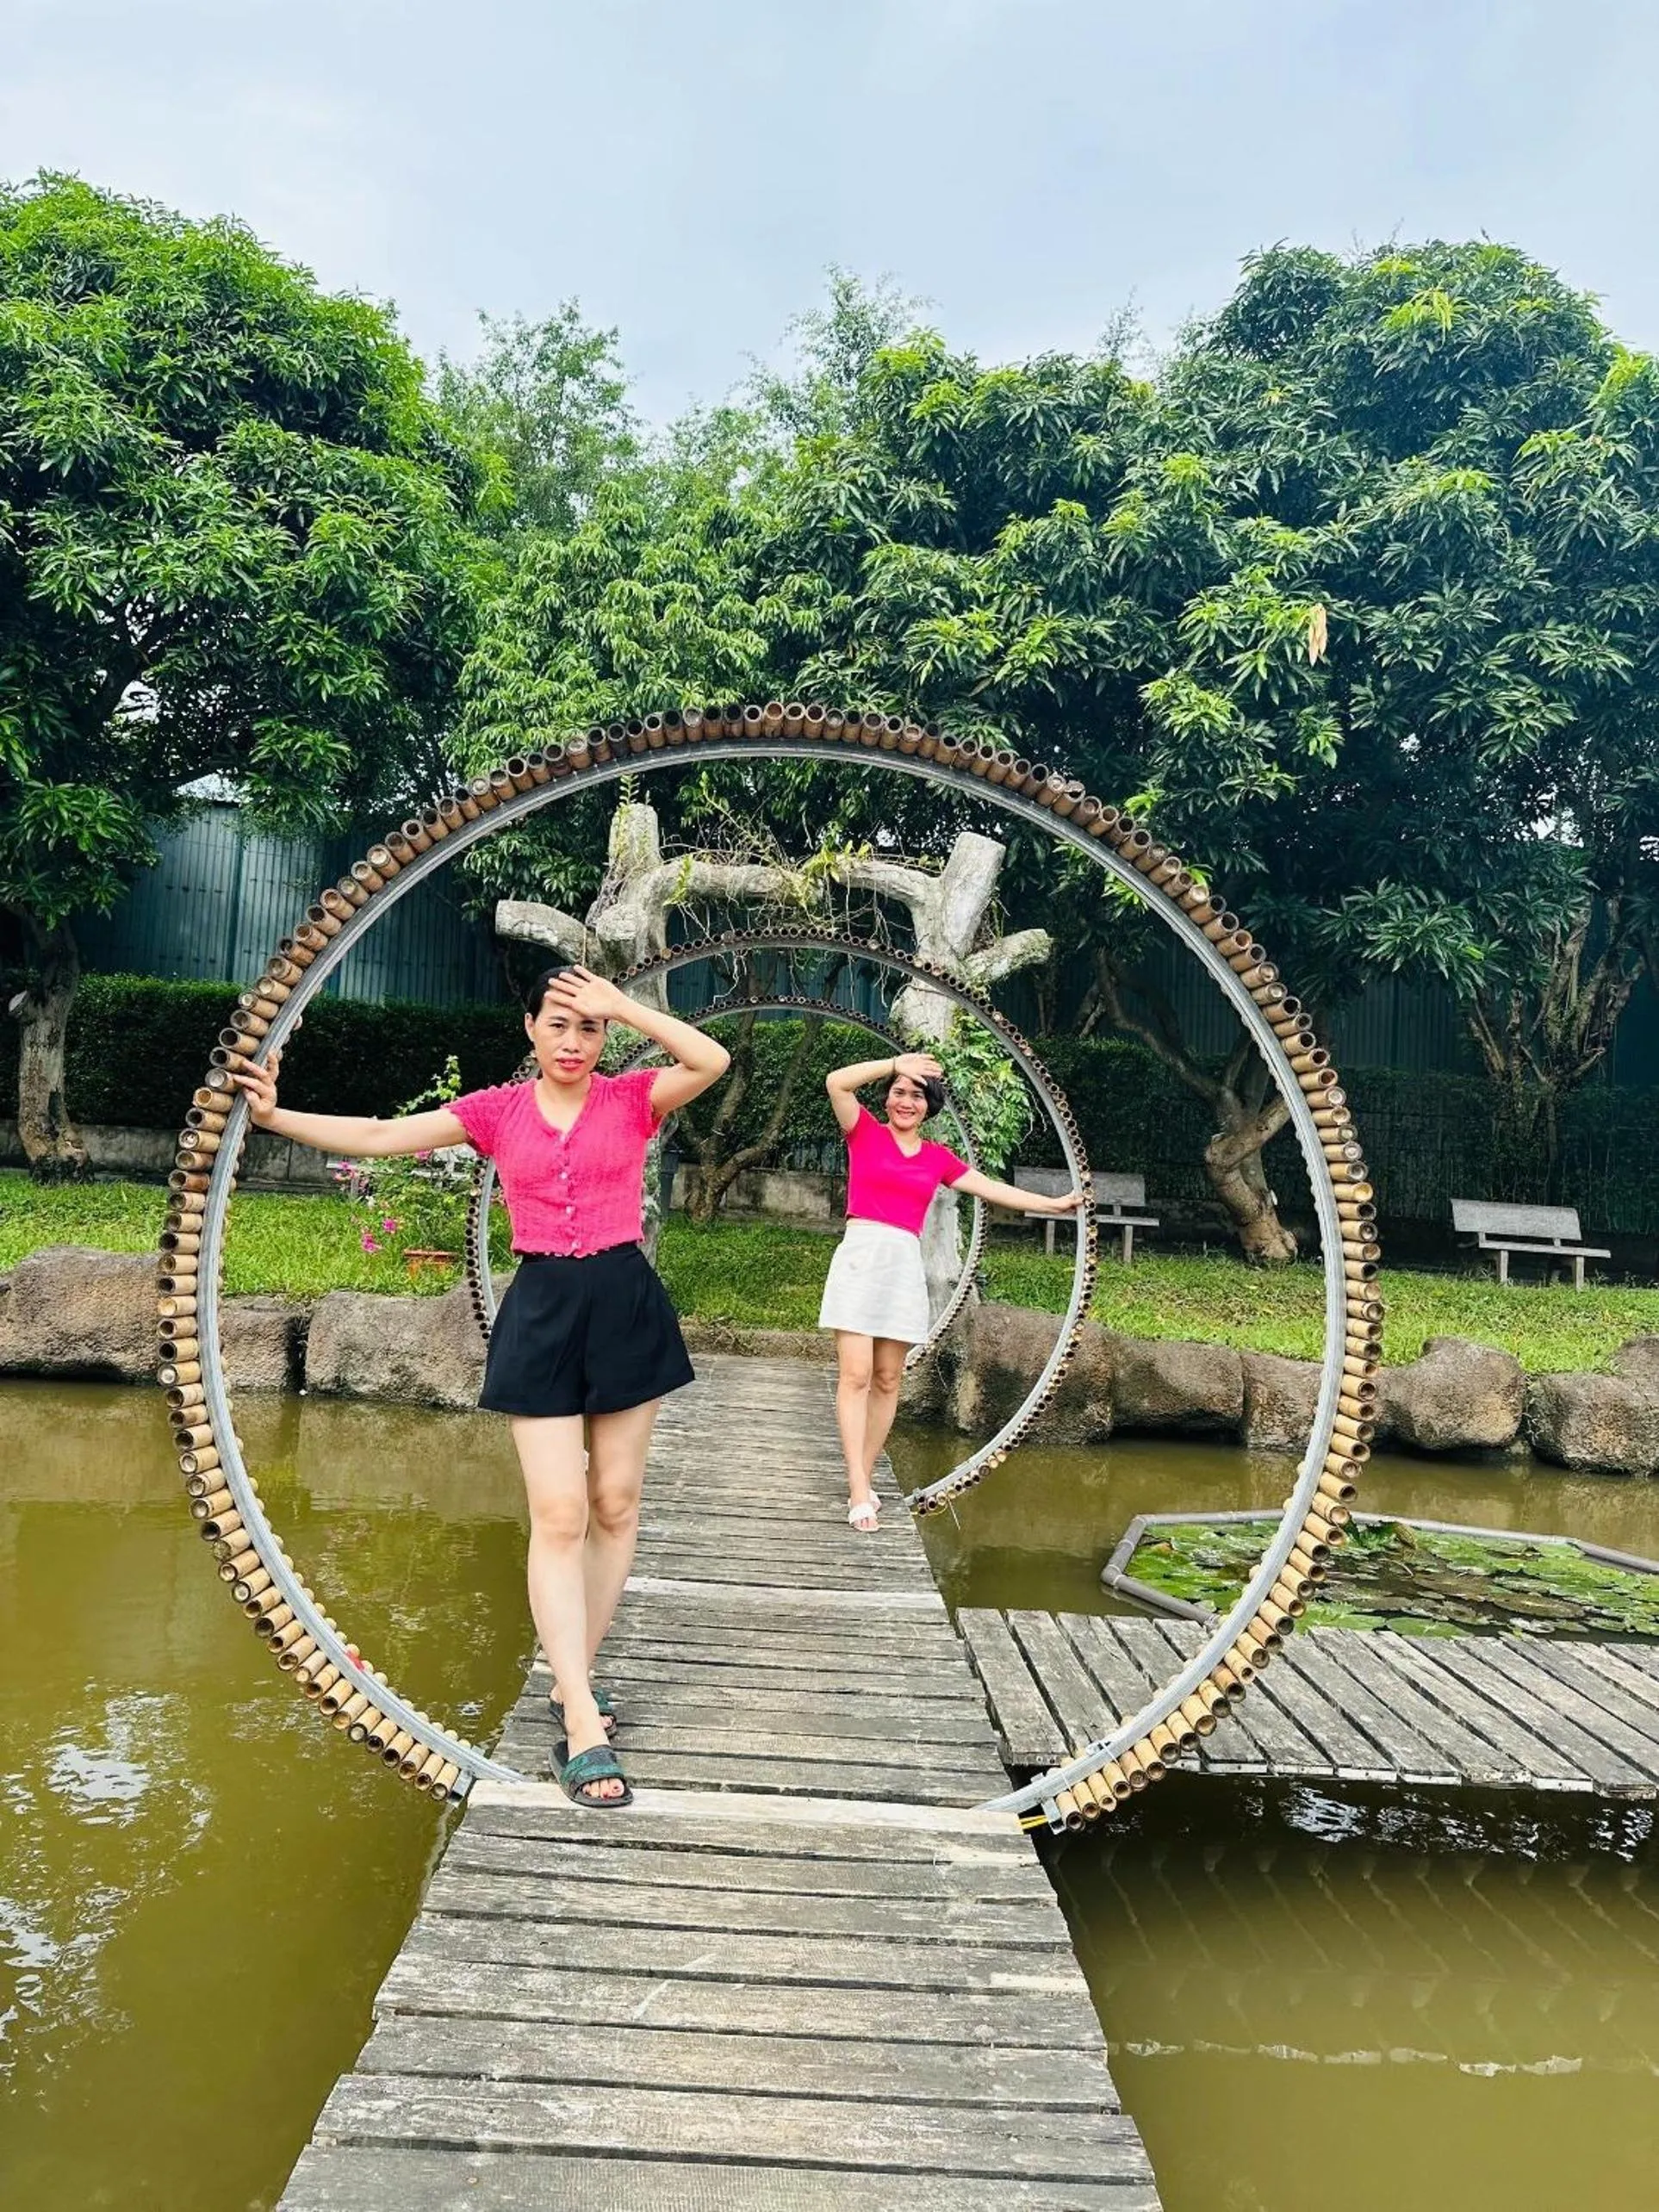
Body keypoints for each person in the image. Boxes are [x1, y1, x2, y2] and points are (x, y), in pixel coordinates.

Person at [234, 963, 730, 1811]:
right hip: (541, 1308)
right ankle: (581, 1718)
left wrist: (625, 1005)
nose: (575, 1043)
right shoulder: (495, 1114)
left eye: (589, 1029)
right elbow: (381, 1136)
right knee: (559, 1512)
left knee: (614, 1502)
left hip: (624, 1302)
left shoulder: (633, 1098)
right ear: (529, 1029)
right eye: (560, 1025)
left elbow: (710, 1060)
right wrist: (277, 1117)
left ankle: (577, 1676)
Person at [820, 1051, 1085, 1531]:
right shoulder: (865, 1134)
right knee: (855, 1375)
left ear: (929, 1107)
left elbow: (992, 1189)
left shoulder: (937, 1158)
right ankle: (858, 1487)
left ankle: (863, 1472)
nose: (905, 1102)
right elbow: (837, 1081)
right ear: (886, 1098)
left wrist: (1053, 1204)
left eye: (916, 1096)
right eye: (899, 1092)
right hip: (861, 1256)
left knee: (887, 1380)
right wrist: (895, 1063)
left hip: (902, 1263)